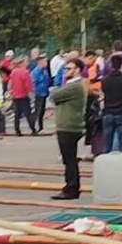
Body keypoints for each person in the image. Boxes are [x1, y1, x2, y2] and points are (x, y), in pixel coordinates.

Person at [48, 56, 88, 200]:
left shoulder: (74, 86)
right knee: (69, 159)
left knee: (69, 159)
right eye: (65, 68)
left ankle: (71, 188)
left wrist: (55, 91)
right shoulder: (72, 84)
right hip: (68, 126)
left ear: (78, 70)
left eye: (69, 68)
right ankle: (71, 187)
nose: (66, 71)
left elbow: (54, 96)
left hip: (69, 127)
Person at [100, 56, 122, 154]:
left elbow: (103, 93)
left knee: (106, 145)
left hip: (108, 113)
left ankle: (105, 164)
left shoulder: (105, 80)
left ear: (111, 65)